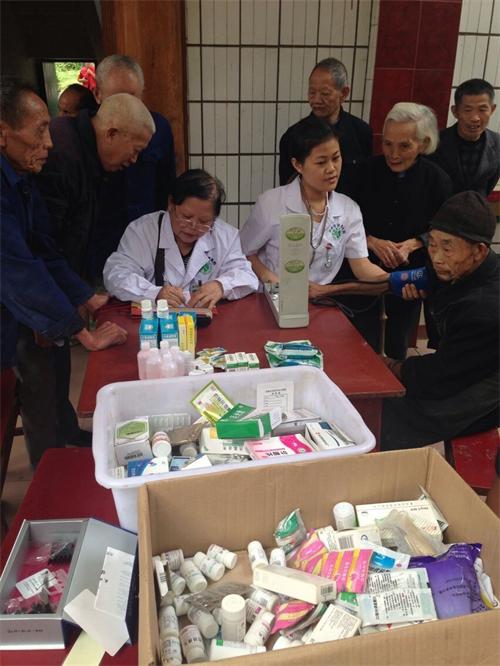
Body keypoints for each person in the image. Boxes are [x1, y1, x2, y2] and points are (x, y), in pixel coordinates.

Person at [0, 77, 127, 467]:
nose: (49, 143)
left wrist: (84, 295)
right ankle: (48, 481)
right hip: (12, 304)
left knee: (52, 382)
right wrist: (79, 330)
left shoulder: (20, 177)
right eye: (40, 130)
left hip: (24, 299)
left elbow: (43, 247)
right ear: (3, 133)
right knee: (32, 391)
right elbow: (17, 268)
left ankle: (64, 445)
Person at [380, 191, 499, 451]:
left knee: (387, 412)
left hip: (486, 385)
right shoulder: (459, 266)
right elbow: (389, 282)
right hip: (463, 364)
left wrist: (390, 366)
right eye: (432, 244)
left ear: (479, 250)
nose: (437, 257)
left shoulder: (486, 306)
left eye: (447, 247)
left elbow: (439, 376)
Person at [341, 103, 453, 358]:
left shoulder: (437, 180)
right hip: (362, 267)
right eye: (388, 144)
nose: (393, 154)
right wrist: (370, 240)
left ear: (423, 144)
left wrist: (414, 243)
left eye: (404, 146)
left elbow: (445, 229)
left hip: (410, 272)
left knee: (397, 341)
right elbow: (341, 219)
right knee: (358, 340)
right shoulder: (364, 171)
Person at [240, 119, 387, 297]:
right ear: (298, 165)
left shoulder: (349, 209)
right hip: (272, 297)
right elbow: (245, 251)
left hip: (320, 300)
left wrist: (393, 281)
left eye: (336, 158)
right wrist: (269, 278)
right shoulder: (271, 203)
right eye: (321, 162)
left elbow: (361, 266)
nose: (332, 169)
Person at [36, 92, 155, 284]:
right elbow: (44, 242)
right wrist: (78, 293)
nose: (134, 160)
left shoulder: (96, 157)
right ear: (111, 133)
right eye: (136, 150)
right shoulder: (62, 154)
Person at [104, 169, 258, 308]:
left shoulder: (227, 236)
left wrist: (221, 286)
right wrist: (153, 293)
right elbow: (116, 274)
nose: (193, 226)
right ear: (171, 204)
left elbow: (247, 276)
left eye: (204, 221)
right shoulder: (142, 231)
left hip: (206, 322)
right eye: (186, 217)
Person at [94, 54, 177, 219]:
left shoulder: (159, 127)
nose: (125, 104)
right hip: (101, 224)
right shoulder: (91, 129)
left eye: (132, 97)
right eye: (117, 98)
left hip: (145, 222)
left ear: (142, 93)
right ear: (98, 94)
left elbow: (167, 183)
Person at [279, 58, 372, 191]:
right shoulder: (292, 137)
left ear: (344, 93)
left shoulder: (361, 132)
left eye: (325, 93)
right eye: (312, 92)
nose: (316, 100)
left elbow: (366, 183)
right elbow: (287, 190)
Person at [429, 79, 499, 197]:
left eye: (482, 110)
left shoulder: (498, 144)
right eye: (467, 110)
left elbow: (489, 186)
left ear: (492, 110)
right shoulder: (435, 142)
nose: (475, 118)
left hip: (476, 207)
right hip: (440, 207)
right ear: (455, 111)